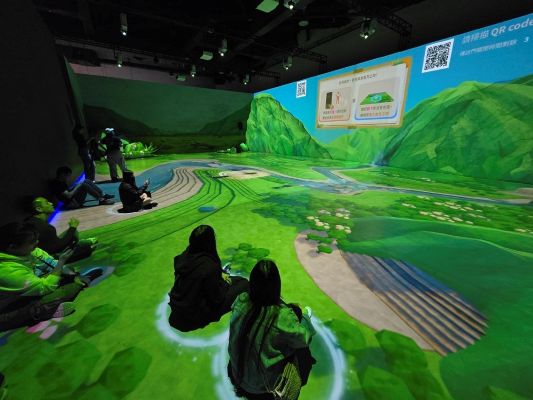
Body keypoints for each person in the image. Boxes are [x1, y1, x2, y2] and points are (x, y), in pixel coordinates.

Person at [228, 260, 316, 399]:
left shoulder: (241, 301)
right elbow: (305, 338)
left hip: (237, 376)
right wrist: (303, 317)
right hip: (263, 388)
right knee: (303, 351)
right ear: (276, 285)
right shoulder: (281, 316)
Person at [0, 223, 97, 331]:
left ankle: (50, 305)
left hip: (26, 287)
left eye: (36, 239)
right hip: (6, 305)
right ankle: (43, 311)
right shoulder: (7, 270)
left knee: (68, 274)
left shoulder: (28, 251)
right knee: (68, 289)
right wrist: (61, 263)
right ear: (12, 247)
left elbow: (50, 263)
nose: (37, 243)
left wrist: (71, 274)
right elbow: (46, 287)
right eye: (32, 242)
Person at [168, 225, 249, 332]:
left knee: (235, 279)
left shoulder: (182, 257)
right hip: (194, 315)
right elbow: (216, 299)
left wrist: (219, 276)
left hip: (178, 307)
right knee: (243, 283)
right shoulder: (209, 266)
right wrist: (225, 283)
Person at [24, 197, 97, 263]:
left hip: (45, 250)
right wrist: (73, 227)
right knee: (87, 249)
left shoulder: (33, 221)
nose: (51, 203)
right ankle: (79, 246)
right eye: (46, 203)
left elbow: (53, 242)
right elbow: (59, 246)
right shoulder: (44, 227)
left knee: (73, 232)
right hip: (48, 258)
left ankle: (79, 244)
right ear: (39, 209)